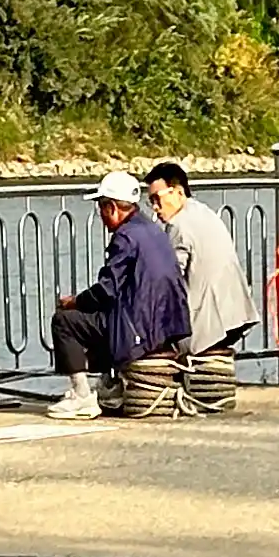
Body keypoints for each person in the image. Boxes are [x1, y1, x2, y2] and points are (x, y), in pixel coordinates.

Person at [49, 170, 189, 419]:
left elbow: (107, 289)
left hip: (140, 328)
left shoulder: (125, 237)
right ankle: (111, 386)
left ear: (112, 207)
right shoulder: (153, 230)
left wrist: (75, 301)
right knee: (102, 317)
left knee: (65, 321)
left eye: (101, 208)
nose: (101, 216)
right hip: (169, 325)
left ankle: (82, 396)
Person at [146, 161, 252, 415]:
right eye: (150, 201)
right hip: (237, 313)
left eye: (157, 199)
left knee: (143, 334)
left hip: (209, 325)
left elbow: (168, 281)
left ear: (178, 192)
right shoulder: (203, 212)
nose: (154, 208)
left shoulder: (179, 227)